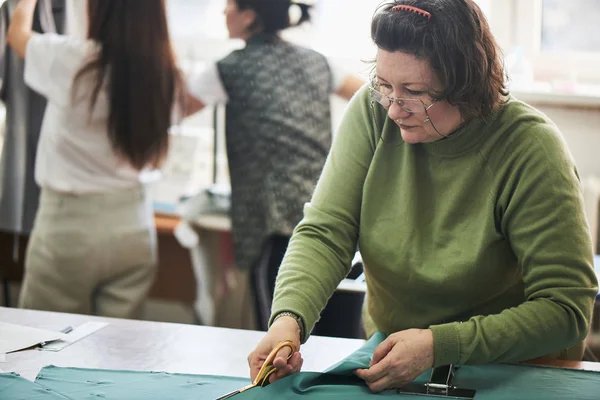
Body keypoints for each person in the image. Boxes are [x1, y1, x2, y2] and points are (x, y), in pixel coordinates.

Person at [248, 0, 599, 393]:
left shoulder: (530, 148)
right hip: (399, 362)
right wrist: (288, 321)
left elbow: (565, 309)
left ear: (467, 85)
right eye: (384, 86)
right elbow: (327, 231)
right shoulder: (372, 111)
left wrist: (440, 345)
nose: (394, 109)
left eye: (413, 93)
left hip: (517, 371)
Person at [185, 0, 364, 330]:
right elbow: (372, 100)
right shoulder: (318, 63)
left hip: (273, 226)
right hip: (330, 215)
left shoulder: (228, 68)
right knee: (338, 337)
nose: (224, 13)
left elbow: (170, 110)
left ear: (249, 15)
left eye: (229, 5)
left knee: (283, 336)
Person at [7, 0, 183, 318]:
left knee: (46, 346)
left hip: (69, 230)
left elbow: (17, 35)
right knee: (116, 356)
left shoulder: (74, 59)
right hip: (134, 228)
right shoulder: (167, 74)